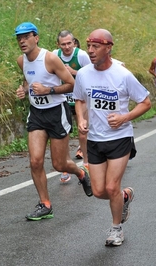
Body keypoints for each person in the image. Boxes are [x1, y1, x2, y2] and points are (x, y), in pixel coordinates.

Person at [73, 29, 151, 246]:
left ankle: (116, 229)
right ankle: (124, 197)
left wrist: (125, 117)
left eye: (95, 46)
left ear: (108, 48)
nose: (90, 50)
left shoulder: (122, 75)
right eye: (89, 46)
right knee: (98, 191)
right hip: (95, 140)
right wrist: (80, 119)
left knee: (110, 187)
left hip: (119, 137)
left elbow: (145, 102)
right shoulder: (83, 73)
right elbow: (79, 99)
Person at [14, 22, 92, 221]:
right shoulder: (21, 61)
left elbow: (72, 85)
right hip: (37, 114)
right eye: (19, 38)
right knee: (35, 161)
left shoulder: (50, 58)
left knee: (60, 164)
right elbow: (28, 81)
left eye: (26, 36)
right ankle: (45, 204)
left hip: (57, 113)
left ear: (36, 37)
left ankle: (81, 172)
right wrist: (24, 90)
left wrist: (48, 90)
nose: (22, 41)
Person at [53, 30, 91, 183]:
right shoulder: (54, 55)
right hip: (63, 98)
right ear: (58, 45)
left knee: (83, 132)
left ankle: (86, 164)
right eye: (63, 44)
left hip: (80, 98)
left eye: (69, 43)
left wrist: (73, 71)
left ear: (74, 42)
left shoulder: (81, 55)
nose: (67, 47)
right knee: (63, 136)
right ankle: (65, 168)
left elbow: (92, 74)